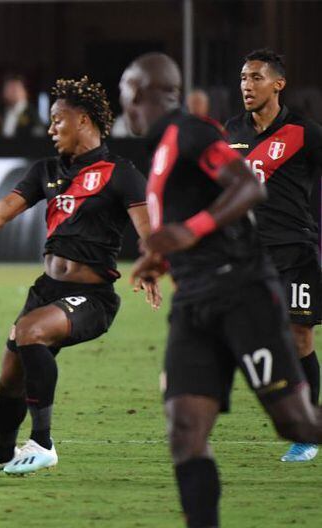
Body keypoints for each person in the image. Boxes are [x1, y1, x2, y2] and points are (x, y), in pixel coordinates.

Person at [0, 76, 159, 478]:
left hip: (92, 296)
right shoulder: (46, 170)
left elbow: (148, 229)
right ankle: (1, 455)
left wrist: (152, 263)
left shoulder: (121, 172)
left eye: (58, 120)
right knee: (8, 381)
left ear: (83, 120)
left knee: (29, 332)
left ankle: (43, 443)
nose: (51, 129)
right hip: (46, 291)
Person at [123, 52, 322, 528]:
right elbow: (194, 211)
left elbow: (249, 188)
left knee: (296, 422)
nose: (123, 101)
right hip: (193, 301)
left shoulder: (191, 133)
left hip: (240, 290)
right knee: (185, 428)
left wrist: (187, 232)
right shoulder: (168, 147)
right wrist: (158, 259)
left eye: (127, 89)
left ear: (148, 92)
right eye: (242, 77)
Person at [224, 48, 322, 462]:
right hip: (247, 256)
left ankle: (308, 432)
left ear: (278, 84)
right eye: (243, 78)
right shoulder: (230, 132)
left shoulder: (305, 132)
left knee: (299, 337)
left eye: (256, 78)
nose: (247, 85)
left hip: (295, 252)